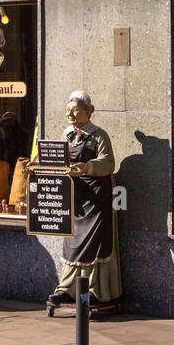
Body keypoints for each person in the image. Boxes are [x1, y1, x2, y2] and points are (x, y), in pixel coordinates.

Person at [46, 91, 122, 311]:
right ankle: (67, 288)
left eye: (75, 109)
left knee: (96, 243)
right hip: (76, 197)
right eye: (68, 109)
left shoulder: (99, 135)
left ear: (89, 112)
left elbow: (108, 163)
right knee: (72, 242)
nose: (70, 113)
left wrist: (88, 167)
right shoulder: (67, 135)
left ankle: (95, 290)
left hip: (97, 198)